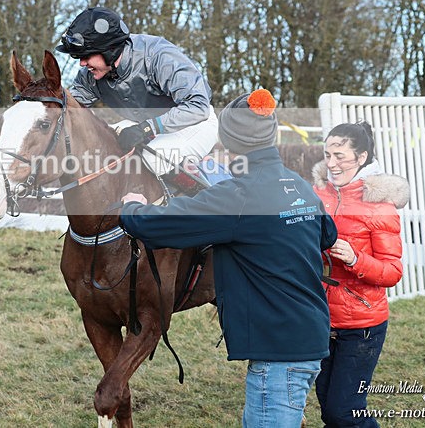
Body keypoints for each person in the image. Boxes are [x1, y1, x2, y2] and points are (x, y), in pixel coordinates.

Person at [119, 89, 338, 427]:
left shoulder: (239, 196)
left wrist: (132, 207)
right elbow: (328, 236)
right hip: (306, 337)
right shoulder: (298, 185)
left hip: (278, 351)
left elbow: (162, 225)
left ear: (231, 142)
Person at [55, 6, 218, 193]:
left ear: (110, 50)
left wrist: (147, 128)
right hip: (148, 127)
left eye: (86, 56)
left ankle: (207, 199)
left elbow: (198, 107)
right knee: (107, 145)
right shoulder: (90, 75)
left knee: (153, 159)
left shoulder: (159, 55)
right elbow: (69, 107)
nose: (82, 63)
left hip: (195, 124)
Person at [312, 122, 409, 427]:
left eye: (340, 156)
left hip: (362, 325)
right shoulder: (316, 196)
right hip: (322, 319)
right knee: (329, 409)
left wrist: (356, 259)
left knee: (345, 411)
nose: (331, 164)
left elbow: (392, 272)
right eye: (327, 155)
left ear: (362, 157)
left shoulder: (379, 206)